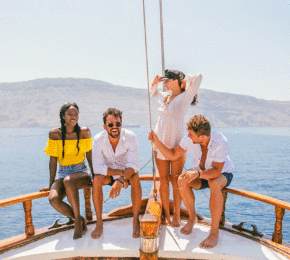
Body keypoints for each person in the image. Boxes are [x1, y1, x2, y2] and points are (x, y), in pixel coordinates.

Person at [148, 115, 234, 249]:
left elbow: (216, 171)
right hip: (200, 173)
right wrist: (157, 141)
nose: (188, 136)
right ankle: (192, 217)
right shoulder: (190, 140)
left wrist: (198, 173)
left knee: (214, 183)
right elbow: (172, 154)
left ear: (203, 137)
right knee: (181, 180)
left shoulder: (220, 142)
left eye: (191, 134)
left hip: (222, 174)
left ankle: (214, 232)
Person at [150, 69, 202, 227]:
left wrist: (186, 80)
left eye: (169, 79)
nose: (166, 82)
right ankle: (166, 214)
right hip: (160, 143)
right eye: (166, 80)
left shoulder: (185, 97)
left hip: (177, 143)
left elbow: (198, 78)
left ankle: (177, 216)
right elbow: (152, 92)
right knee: (163, 180)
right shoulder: (163, 97)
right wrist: (155, 82)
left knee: (176, 180)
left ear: (179, 82)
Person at [40, 103, 93, 239]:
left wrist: (94, 176)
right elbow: (53, 161)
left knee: (69, 181)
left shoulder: (84, 132)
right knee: (53, 199)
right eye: (70, 114)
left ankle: (77, 223)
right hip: (63, 172)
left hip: (81, 170)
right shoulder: (54, 134)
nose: (74, 117)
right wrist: (51, 183)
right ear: (63, 116)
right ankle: (80, 219)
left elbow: (89, 156)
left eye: (76, 114)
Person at [91, 107, 142, 239]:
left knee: (136, 177)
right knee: (96, 180)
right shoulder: (98, 139)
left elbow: (134, 165)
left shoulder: (130, 137)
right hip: (110, 175)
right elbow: (97, 168)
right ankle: (99, 222)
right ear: (105, 126)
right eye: (110, 124)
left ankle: (135, 220)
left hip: (127, 175)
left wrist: (121, 179)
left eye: (117, 124)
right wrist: (120, 174)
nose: (114, 127)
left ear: (121, 124)